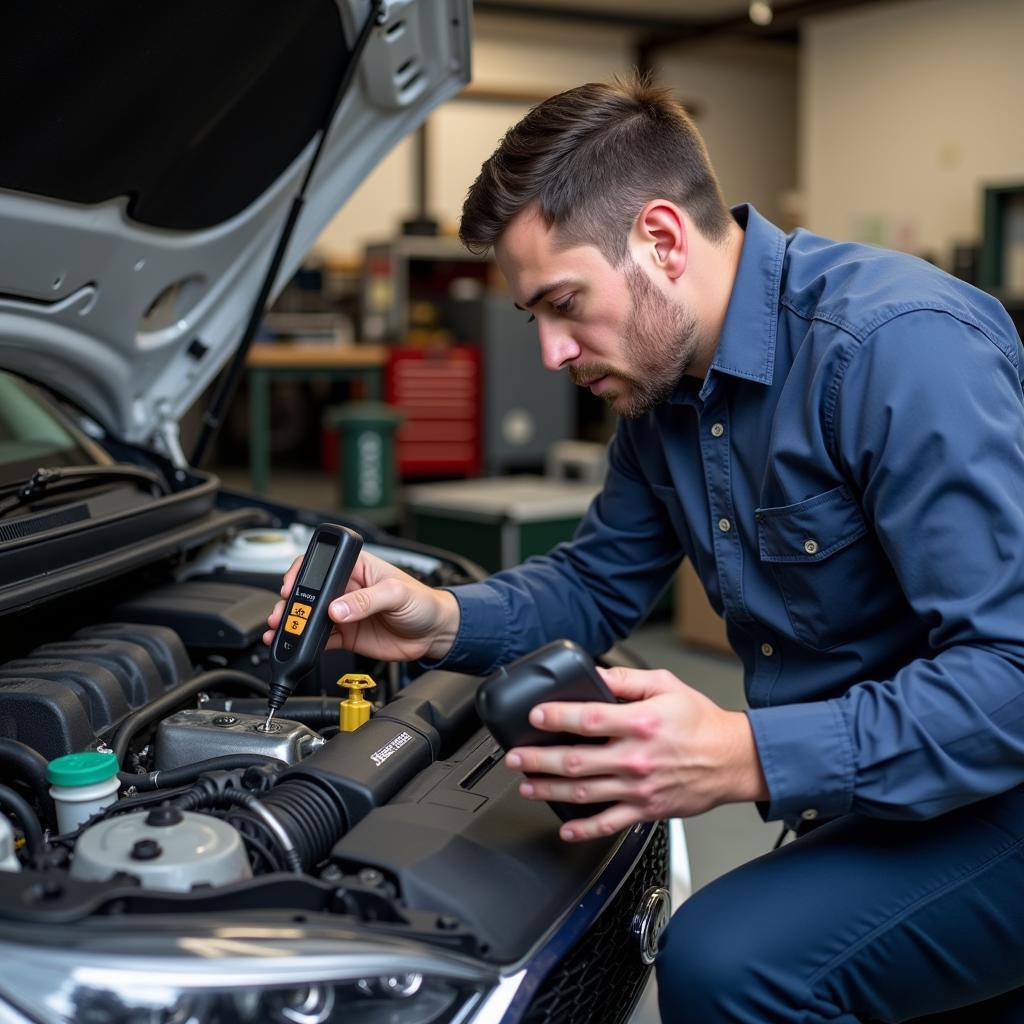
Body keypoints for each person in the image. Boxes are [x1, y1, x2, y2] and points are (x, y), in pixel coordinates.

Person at [267, 76, 1024, 1023]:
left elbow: (1011, 677)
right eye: (532, 318)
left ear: (662, 240)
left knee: (725, 961)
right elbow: (592, 583)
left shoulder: (897, 349)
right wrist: (437, 618)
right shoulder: (664, 395)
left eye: (564, 303)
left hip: (1000, 785)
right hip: (879, 785)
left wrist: (742, 753)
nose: (550, 352)